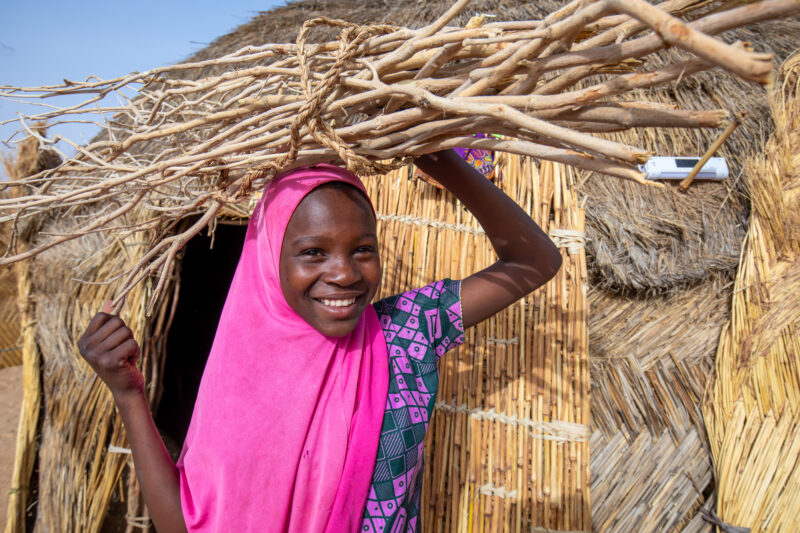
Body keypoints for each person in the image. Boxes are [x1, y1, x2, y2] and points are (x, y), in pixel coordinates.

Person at [78, 149, 562, 532]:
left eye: (363, 250)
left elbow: (533, 263)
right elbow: (187, 524)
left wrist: (441, 162)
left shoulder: (405, 333)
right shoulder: (238, 373)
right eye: (313, 252)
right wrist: (128, 394)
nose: (345, 274)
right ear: (270, 259)